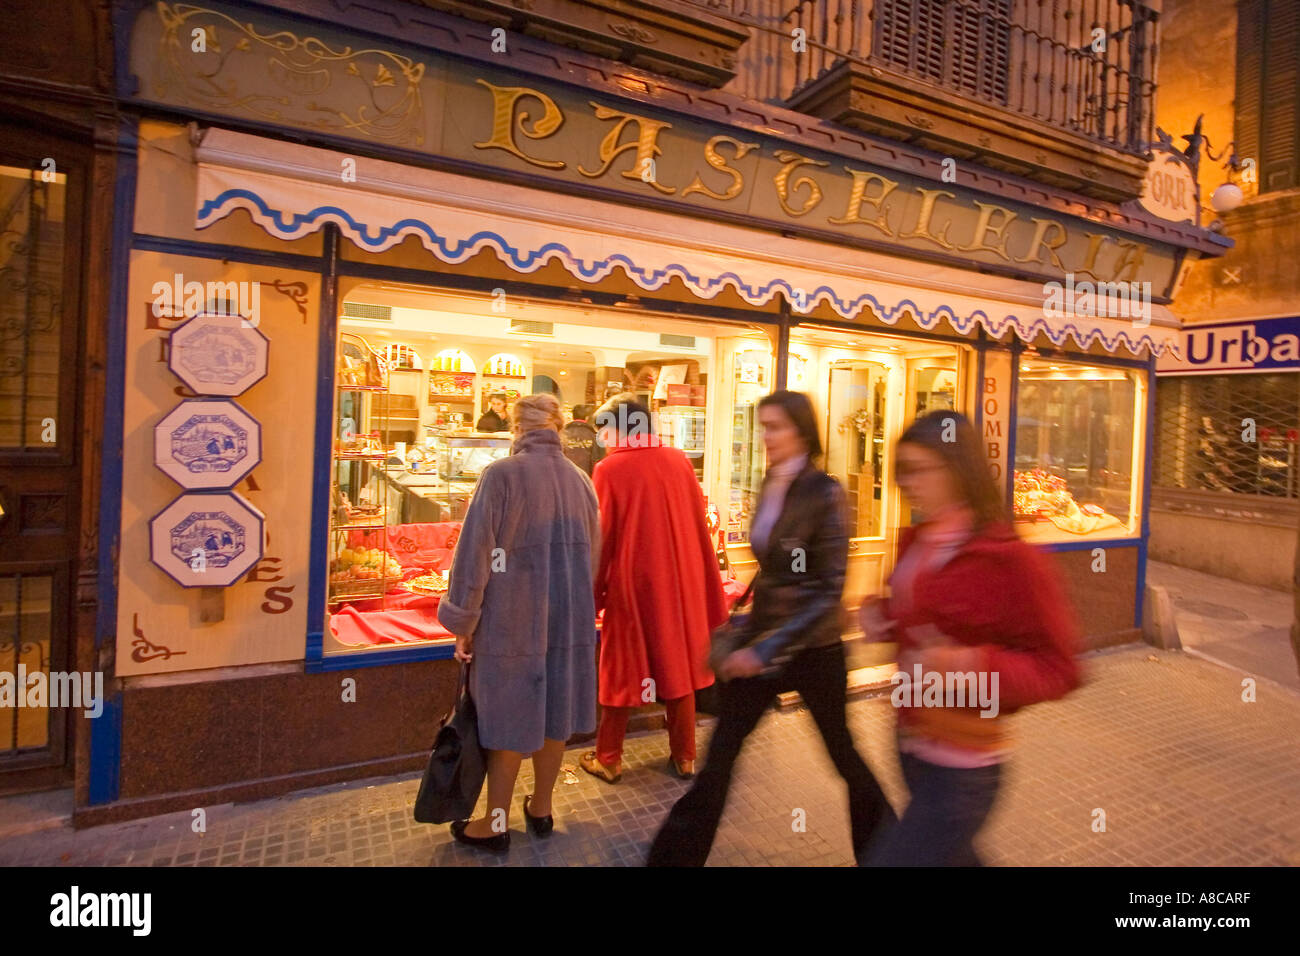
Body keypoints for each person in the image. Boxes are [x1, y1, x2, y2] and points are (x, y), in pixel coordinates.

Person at [646, 390, 892, 866]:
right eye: (763, 426)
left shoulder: (826, 491)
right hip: (763, 644)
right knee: (719, 759)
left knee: (844, 755)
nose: (765, 436)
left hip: (814, 650)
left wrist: (765, 649)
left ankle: (891, 853)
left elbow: (828, 587)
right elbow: (776, 571)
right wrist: (745, 630)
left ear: (801, 431)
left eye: (775, 427)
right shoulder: (770, 482)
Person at [859, 410, 1082, 866]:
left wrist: (972, 665)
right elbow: (921, 625)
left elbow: (1060, 668)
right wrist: (882, 616)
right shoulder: (918, 540)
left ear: (959, 469)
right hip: (911, 745)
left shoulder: (1008, 559)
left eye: (922, 470)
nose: (909, 484)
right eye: (904, 471)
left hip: (965, 765)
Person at [437, 393, 601, 852]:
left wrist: (463, 621)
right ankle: (542, 808)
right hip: (568, 619)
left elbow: (474, 558)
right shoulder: (580, 480)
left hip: (511, 621)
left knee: (507, 718)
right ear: (559, 427)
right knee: (555, 713)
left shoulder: (500, 476)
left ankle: (494, 823)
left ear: (516, 429)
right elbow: (593, 559)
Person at [580, 394, 727, 784]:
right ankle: (685, 756)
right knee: (677, 664)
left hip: (632, 584)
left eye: (603, 430)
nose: (601, 439)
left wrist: (592, 595)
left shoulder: (609, 470)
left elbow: (603, 538)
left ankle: (608, 758)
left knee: (621, 667)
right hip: (678, 582)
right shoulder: (678, 461)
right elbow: (697, 526)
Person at [561, 404, 606, 477]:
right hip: (587, 480)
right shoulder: (595, 436)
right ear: (587, 418)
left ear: (573, 416)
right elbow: (598, 461)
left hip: (565, 480)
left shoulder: (562, 435)